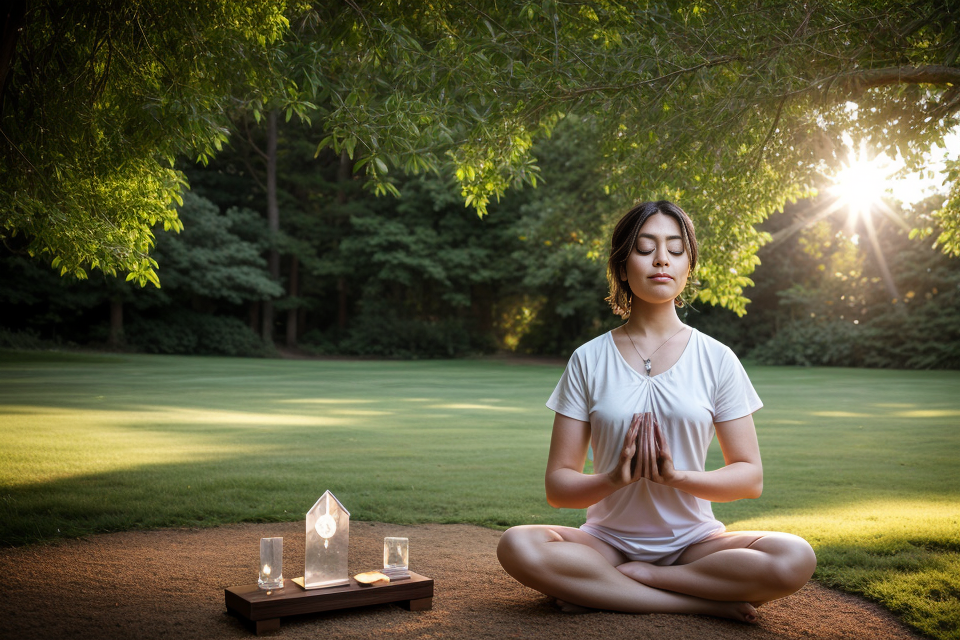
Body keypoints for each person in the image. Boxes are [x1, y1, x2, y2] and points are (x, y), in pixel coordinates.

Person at [497, 200, 816, 623]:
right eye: (645, 248)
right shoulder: (588, 359)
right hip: (605, 542)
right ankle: (689, 600)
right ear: (622, 265)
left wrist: (677, 478)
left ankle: (620, 584)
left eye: (675, 249)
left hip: (694, 543)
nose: (661, 259)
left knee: (793, 556)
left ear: (688, 266)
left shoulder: (717, 359)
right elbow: (559, 487)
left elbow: (749, 477)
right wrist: (614, 478)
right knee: (517, 544)